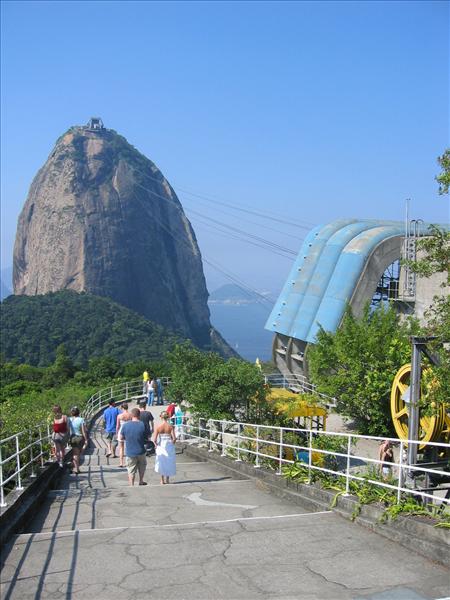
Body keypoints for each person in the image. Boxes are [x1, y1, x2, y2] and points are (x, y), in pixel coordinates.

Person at [120, 407, 147, 486]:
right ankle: (141, 481)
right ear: (139, 415)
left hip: (130, 451)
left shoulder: (125, 425)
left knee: (131, 468)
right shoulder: (143, 424)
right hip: (141, 450)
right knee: (142, 466)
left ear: (132, 415)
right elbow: (148, 436)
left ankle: (131, 484)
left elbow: (121, 437)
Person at [153, 411, 176, 485]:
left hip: (161, 444)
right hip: (169, 444)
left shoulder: (158, 426)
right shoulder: (170, 426)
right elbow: (174, 438)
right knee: (169, 461)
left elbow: (155, 439)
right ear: (168, 417)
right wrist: (172, 443)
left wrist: (156, 445)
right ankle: (167, 479)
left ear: (161, 417)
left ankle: (162, 480)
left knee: (161, 461)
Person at [69, 407, 88, 474]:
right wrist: (86, 439)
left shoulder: (69, 419)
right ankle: (76, 468)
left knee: (75, 454)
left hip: (72, 437)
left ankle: (75, 468)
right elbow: (84, 431)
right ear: (78, 412)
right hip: (80, 437)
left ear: (71, 413)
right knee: (78, 453)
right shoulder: (81, 420)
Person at [116, 402, 132, 468]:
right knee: (128, 447)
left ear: (122, 408)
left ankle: (121, 463)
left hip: (121, 431)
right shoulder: (131, 415)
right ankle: (128, 462)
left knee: (121, 448)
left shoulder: (119, 416)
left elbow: (117, 426)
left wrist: (117, 433)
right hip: (129, 431)